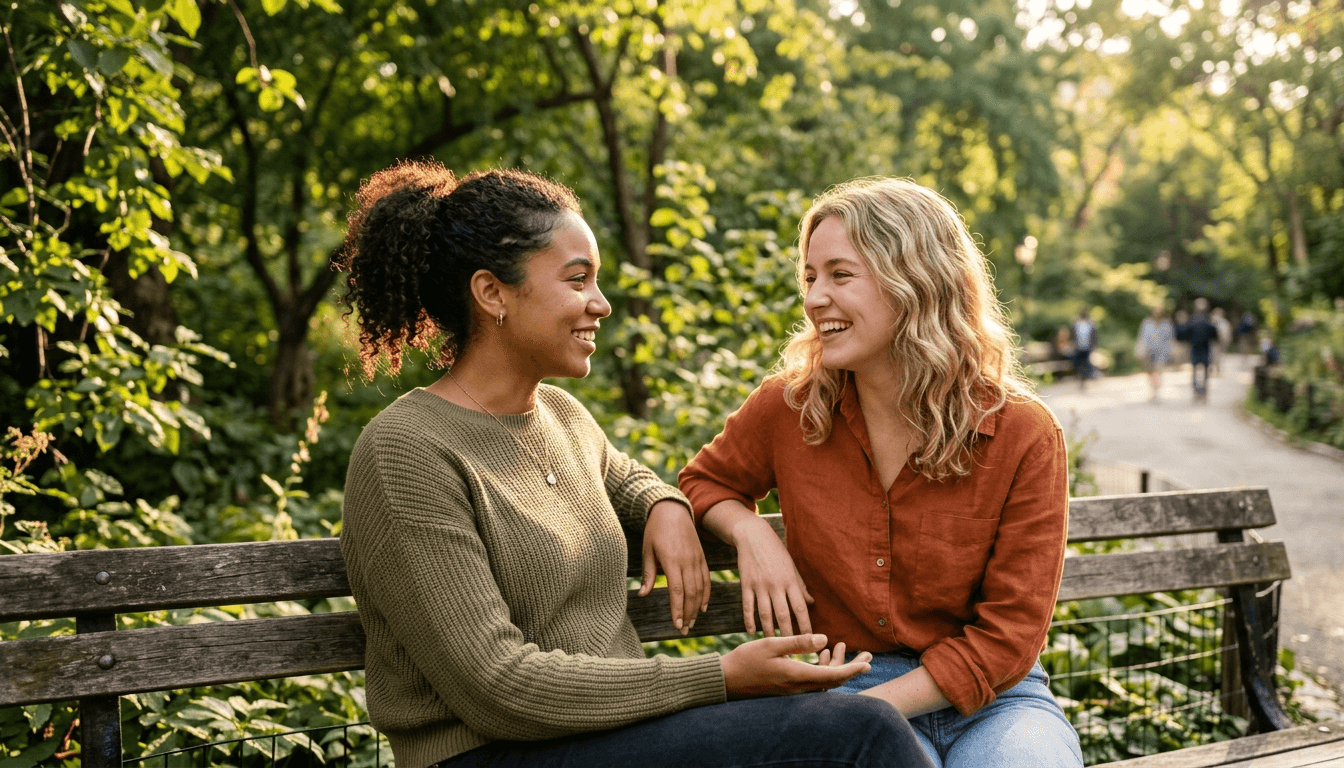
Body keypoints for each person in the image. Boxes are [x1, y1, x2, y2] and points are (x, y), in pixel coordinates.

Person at [335, 162, 933, 768]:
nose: (601, 304)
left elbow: (629, 481)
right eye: (577, 280)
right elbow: (498, 688)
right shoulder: (406, 452)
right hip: (492, 753)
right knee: (861, 733)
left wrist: (664, 505)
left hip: (613, 742)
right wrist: (723, 676)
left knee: (858, 727)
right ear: (492, 293)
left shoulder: (561, 418)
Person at [679, 178, 1083, 768]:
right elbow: (703, 482)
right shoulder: (788, 407)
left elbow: (1010, 638)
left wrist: (870, 710)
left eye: (841, 276)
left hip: (997, 702)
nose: (816, 298)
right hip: (843, 683)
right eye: (811, 278)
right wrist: (751, 533)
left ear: (917, 282)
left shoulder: (1021, 433)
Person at [1177, 298, 1219, 402]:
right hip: (1203, 349)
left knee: (1196, 370)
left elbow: (1183, 336)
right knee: (1204, 371)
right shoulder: (1208, 322)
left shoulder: (1192, 321)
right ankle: (1202, 392)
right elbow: (1215, 337)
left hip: (1197, 349)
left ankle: (1198, 392)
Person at [1136, 305, 1175, 401]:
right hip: (1148, 351)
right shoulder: (1147, 323)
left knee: (1158, 371)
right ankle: (1153, 387)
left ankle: (1156, 390)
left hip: (1162, 352)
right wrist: (1139, 350)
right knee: (1150, 371)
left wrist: (1172, 351)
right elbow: (1142, 337)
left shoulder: (1167, 324)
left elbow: (1171, 339)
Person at [1071, 307, 1098, 389]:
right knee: (1080, 363)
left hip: (1087, 347)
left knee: (1085, 363)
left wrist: (1094, 346)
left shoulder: (1090, 323)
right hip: (1079, 347)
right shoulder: (1077, 323)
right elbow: (1073, 335)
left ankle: (1086, 379)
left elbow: (1094, 336)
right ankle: (1085, 379)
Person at [1210, 307, 1232, 376]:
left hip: (1215, 342)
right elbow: (1228, 333)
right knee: (1217, 356)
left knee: (1213, 356)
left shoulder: (1212, 321)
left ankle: (1214, 369)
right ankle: (1217, 369)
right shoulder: (1224, 322)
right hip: (1219, 341)